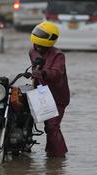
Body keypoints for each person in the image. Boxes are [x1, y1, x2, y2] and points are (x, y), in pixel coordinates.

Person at [28, 21, 70, 158]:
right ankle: (50, 154)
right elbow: (34, 68)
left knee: (52, 126)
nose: (37, 46)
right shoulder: (32, 51)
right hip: (41, 93)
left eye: (41, 36)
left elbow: (57, 73)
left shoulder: (58, 55)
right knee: (46, 126)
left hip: (57, 96)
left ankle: (59, 157)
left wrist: (44, 73)